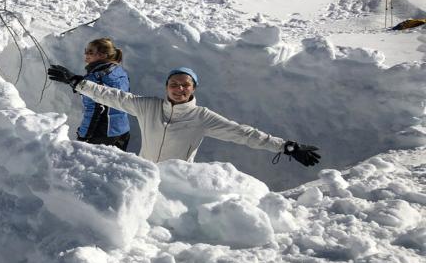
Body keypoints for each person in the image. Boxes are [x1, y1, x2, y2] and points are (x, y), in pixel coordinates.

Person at [47, 64, 321, 166]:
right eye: (174, 84)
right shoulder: (148, 106)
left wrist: (286, 146)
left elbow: (244, 133)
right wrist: (77, 81)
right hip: (142, 174)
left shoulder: (202, 117)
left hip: (177, 181)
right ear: (166, 87)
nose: (179, 89)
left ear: (193, 88)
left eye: (185, 85)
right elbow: (113, 96)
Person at [73, 38, 131, 150]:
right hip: (123, 131)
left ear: (103, 55)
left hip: (103, 135)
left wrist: (83, 136)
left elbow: (94, 109)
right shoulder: (120, 72)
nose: (86, 54)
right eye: (86, 50)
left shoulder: (93, 77)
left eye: (90, 52)